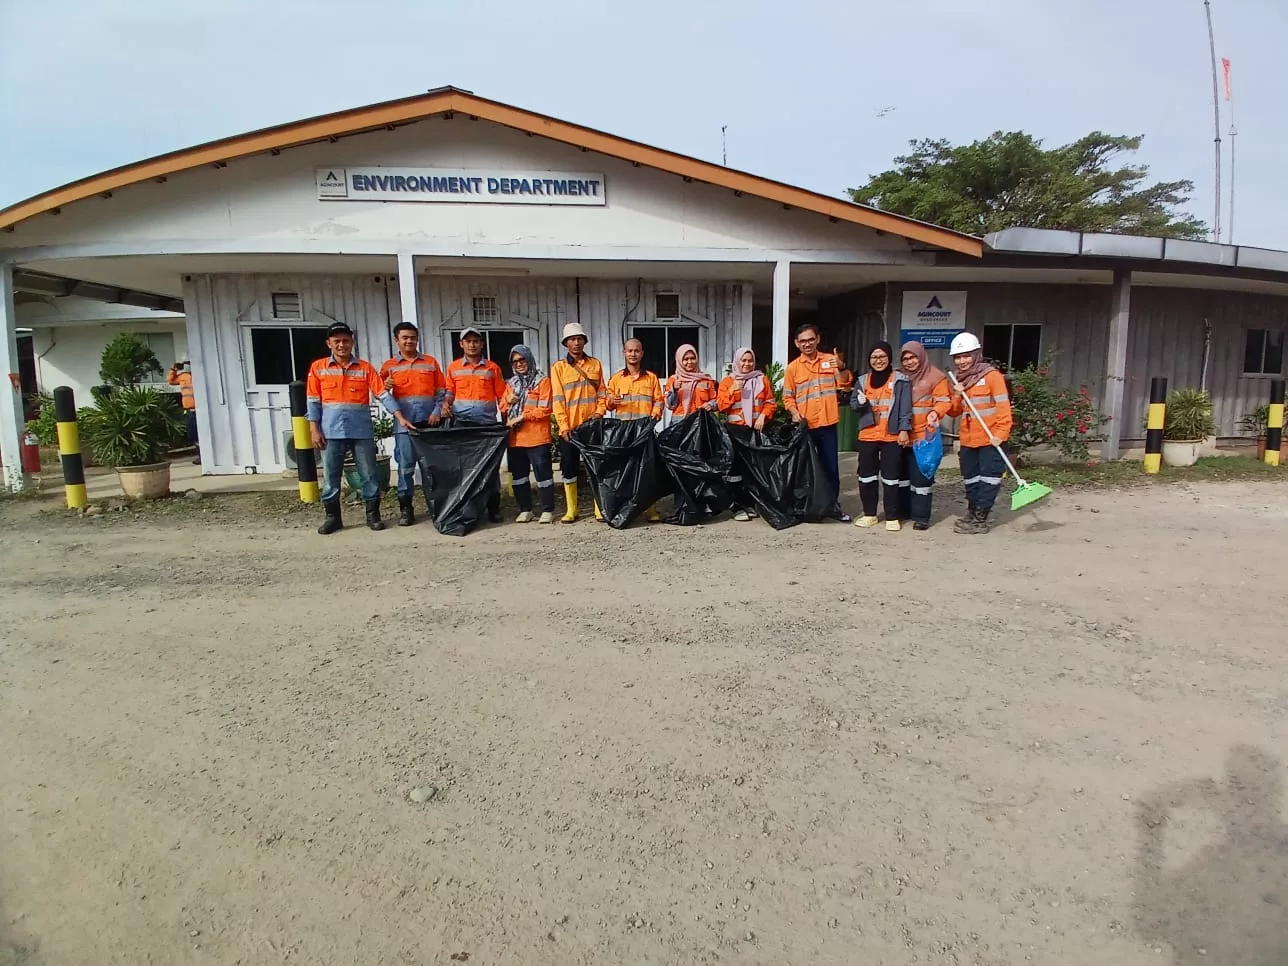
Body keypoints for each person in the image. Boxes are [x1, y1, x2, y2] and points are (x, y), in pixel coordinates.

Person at [307, 322, 411, 535]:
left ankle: (373, 516)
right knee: (331, 475)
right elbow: (313, 401)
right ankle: (332, 517)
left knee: (369, 474)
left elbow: (382, 393)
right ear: (329, 344)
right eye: (337, 341)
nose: (342, 345)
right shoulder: (318, 368)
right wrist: (313, 429)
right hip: (330, 431)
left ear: (352, 342)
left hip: (361, 430)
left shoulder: (365, 368)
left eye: (346, 340)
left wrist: (399, 416)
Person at [782, 322, 851, 522]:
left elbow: (845, 384)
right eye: (803, 341)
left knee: (831, 468)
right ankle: (809, 507)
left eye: (811, 339)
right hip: (807, 427)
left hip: (828, 424)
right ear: (796, 343)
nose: (807, 344)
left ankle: (832, 506)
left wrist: (842, 367)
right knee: (807, 469)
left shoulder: (830, 361)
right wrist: (794, 413)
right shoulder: (792, 369)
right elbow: (788, 398)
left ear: (818, 339)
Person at [945, 331, 1013, 534]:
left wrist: (1000, 434)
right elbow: (954, 411)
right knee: (970, 479)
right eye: (958, 357)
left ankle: (981, 519)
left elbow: (1003, 408)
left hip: (990, 439)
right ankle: (973, 511)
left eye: (966, 355)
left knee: (989, 479)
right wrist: (956, 394)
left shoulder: (992, 377)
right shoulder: (959, 380)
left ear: (976, 354)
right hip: (968, 439)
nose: (962, 361)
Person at [379, 322, 445, 527]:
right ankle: (406, 509)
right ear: (396, 340)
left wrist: (436, 412)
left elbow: (441, 391)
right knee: (405, 468)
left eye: (412, 337)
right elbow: (379, 391)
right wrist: (386, 385)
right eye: (404, 337)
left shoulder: (430, 362)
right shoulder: (388, 366)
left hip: (430, 425)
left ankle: (438, 507)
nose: (409, 341)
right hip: (404, 427)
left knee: (432, 468)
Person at [443, 326, 507, 523]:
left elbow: (502, 396)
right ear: (461, 344)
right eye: (468, 341)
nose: (472, 344)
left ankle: (493, 507)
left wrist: (505, 421)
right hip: (462, 426)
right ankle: (469, 508)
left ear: (482, 344)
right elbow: (449, 392)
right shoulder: (453, 368)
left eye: (475, 341)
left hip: (486, 426)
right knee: (465, 468)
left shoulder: (492, 368)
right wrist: (445, 404)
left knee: (490, 468)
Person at [852, 341, 912, 532]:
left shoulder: (901, 380)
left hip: (891, 436)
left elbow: (905, 408)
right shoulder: (862, 380)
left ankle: (892, 517)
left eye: (882, 357)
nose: (878, 361)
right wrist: (860, 403)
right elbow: (854, 404)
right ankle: (870, 514)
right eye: (874, 357)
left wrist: (904, 430)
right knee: (866, 477)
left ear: (889, 358)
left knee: (891, 478)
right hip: (867, 436)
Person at [550, 321, 607, 522]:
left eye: (579, 339)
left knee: (595, 466)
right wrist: (563, 427)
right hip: (570, 429)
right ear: (566, 343)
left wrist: (599, 413)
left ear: (584, 341)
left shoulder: (595, 364)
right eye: (572, 339)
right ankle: (571, 510)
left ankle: (598, 508)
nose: (576, 343)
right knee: (569, 467)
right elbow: (558, 400)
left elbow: (602, 393)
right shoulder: (558, 368)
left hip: (591, 426)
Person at [605, 338, 664, 522]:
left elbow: (659, 400)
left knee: (647, 470)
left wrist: (655, 413)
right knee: (625, 471)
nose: (633, 354)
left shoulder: (651, 378)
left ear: (642, 353)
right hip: (624, 432)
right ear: (624, 353)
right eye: (629, 351)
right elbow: (607, 404)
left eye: (636, 351)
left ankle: (651, 509)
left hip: (645, 430)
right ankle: (626, 509)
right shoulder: (616, 379)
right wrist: (610, 402)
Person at [718, 346, 776, 521]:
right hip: (735, 431)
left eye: (750, 360)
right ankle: (737, 507)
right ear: (737, 361)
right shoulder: (728, 381)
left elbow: (770, 402)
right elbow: (721, 406)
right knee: (735, 471)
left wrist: (763, 416)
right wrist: (732, 391)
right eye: (743, 360)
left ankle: (750, 504)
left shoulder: (761, 380)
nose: (747, 364)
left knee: (753, 469)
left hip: (755, 430)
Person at [898, 341, 952, 531]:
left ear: (921, 356)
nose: (909, 362)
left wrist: (935, 412)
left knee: (921, 478)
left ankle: (921, 517)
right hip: (901, 435)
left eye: (913, 357)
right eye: (905, 358)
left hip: (922, 436)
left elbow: (944, 401)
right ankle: (903, 511)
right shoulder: (899, 376)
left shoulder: (936, 377)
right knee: (902, 477)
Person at [500, 345, 555, 524]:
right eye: (515, 361)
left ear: (529, 359)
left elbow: (545, 408)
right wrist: (509, 401)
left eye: (522, 359)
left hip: (537, 437)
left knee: (543, 475)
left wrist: (523, 416)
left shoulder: (542, 381)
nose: (519, 364)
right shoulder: (511, 384)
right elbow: (502, 407)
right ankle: (525, 509)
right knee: (519, 476)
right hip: (515, 439)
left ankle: (547, 509)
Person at [664, 343, 718, 417]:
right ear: (679, 360)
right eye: (686, 359)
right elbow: (669, 405)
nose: (690, 362)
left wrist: (710, 404)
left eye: (692, 358)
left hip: (700, 422)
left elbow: (716, 400)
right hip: (679, 423)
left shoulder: (706, 380)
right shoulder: (673, 380)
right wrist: (674, 390)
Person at [166, 360, 200, 465]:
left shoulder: (199, 375)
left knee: (200, 435)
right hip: (190, 411)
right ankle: (200, 455)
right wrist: (173, 369)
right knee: (193, 435)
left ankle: (202, 456)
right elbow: (171, 381)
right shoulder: (183, 376)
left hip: (200, 410)